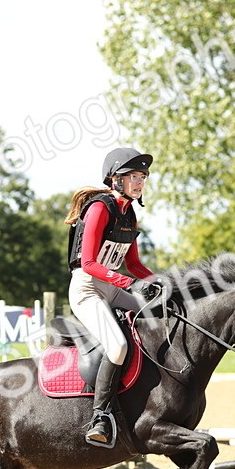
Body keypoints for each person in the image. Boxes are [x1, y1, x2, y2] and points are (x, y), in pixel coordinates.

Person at [63, 147, 159, 447]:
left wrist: (161, 282)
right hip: (87, 289)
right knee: (116, 346)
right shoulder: (99, 209)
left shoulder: (129, 213)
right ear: (116, 179)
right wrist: (126, 282)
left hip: (112, 288)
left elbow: (134, 264)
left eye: (143, 176)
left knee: (157, 319)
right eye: (134, 176)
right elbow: (89, 263)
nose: (140, 181)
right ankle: (100, 415)